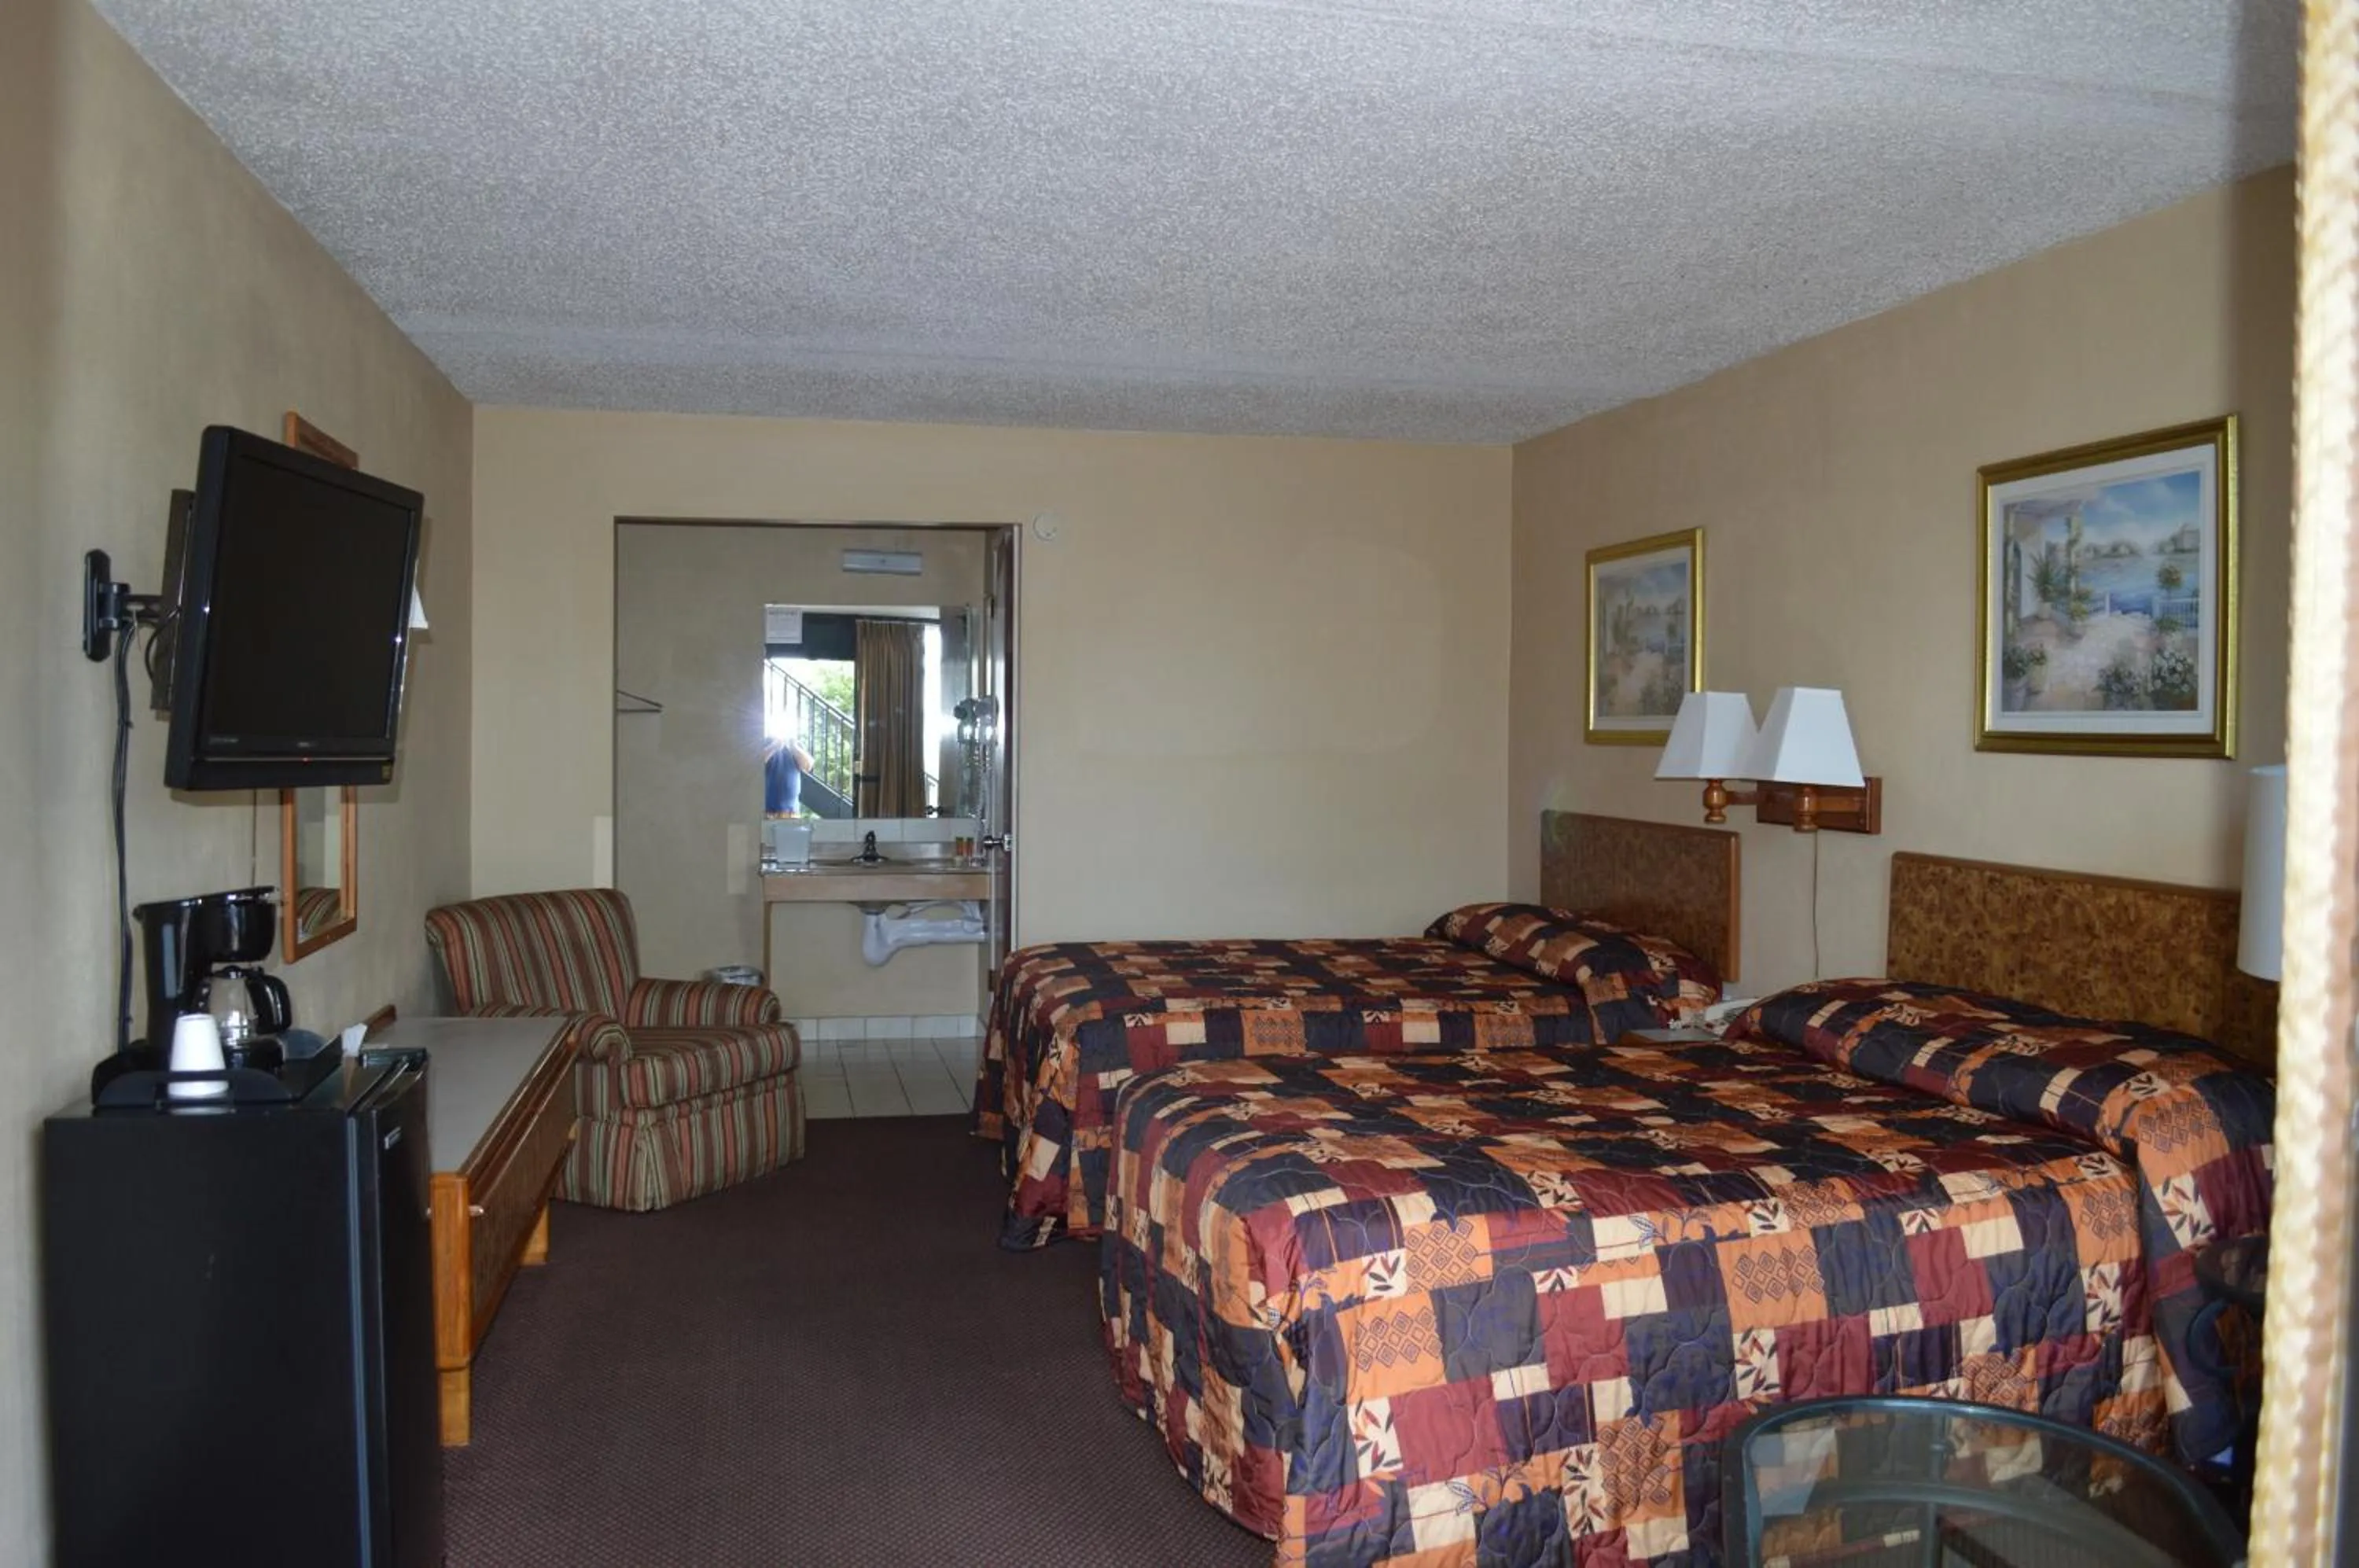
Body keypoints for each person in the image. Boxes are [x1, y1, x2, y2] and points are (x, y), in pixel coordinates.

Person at [764, 735, 815, 816]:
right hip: (767, 812)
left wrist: (794, 748)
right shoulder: (765, 742)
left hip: (792, 813)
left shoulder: (796, 744)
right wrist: (774, 747)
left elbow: (808, 766)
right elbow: (756, 763)